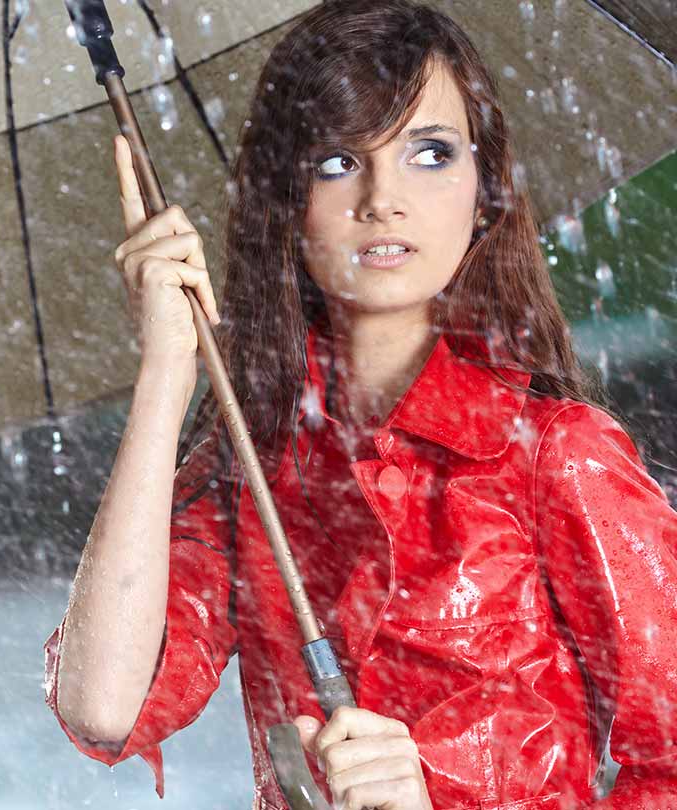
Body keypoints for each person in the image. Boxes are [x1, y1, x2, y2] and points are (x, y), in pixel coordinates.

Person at [43, 1, 677, 808]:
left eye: (432, 152)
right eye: (338, 162)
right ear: (286, 202)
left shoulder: (559, 453)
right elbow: (101, 708)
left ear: (485, 189)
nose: (384, 198)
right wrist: (166, 375)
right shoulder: (254, 469)